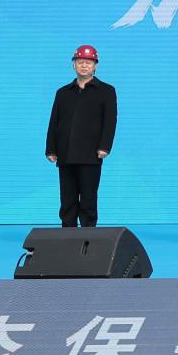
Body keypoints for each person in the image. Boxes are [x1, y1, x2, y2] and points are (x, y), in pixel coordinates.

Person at [45, 43, 117, 228]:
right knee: (67, 199)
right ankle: (67, 234)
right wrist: (51, 149)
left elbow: (110, 121)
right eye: (80, 62)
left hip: (91, 154)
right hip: (65, 153)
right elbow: (54, 121)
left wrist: (104, 146)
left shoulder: (106, 91)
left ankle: (88, 235)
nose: (84, 66)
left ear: (95, 66)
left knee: (88, 199)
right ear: (73, 65)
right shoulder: (63, 92)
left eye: (88, 62)